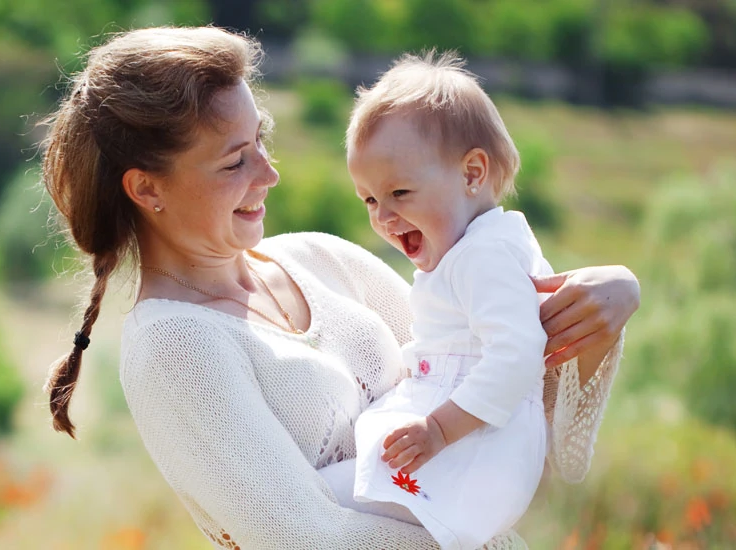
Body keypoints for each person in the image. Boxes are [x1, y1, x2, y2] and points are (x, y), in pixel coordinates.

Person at [40, 26, 639, 550]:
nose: (270, 173)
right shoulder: (174, 348)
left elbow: (509, 402)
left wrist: (606, 303)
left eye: (261, 142)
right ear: (147, 189)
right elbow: (307, 540)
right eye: (234, 161)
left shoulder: (323, 259)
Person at [313, 51, 598, 550]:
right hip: (469, 448)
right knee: (330, 500)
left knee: (313, 499)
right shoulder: (475, 249)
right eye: (370, 200)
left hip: (472, 451)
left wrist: (438, 430)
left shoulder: (484, 256)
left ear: (471, 174)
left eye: (400, 192)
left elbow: (517, 354)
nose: (383, 216)